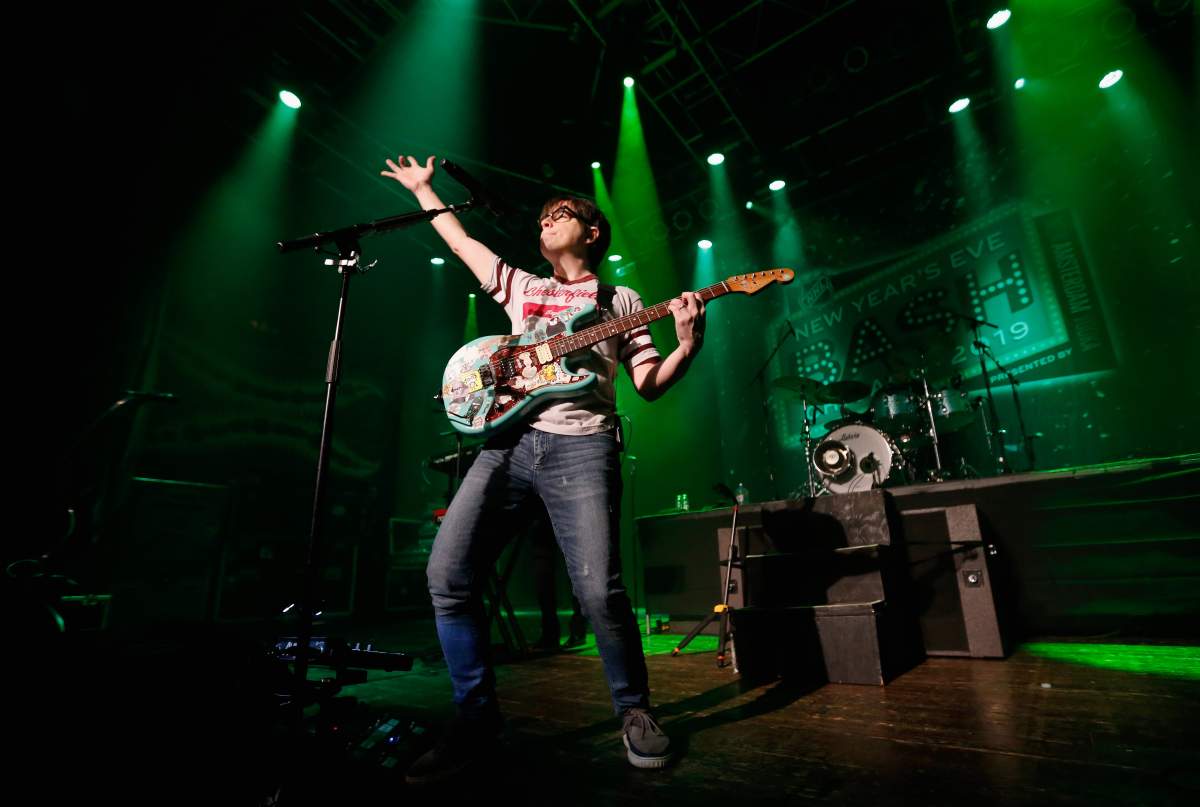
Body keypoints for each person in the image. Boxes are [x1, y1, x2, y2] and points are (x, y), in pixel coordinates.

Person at [381, 154, 705, 782]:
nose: (546, 222)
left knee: (597, 592)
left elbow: (648, 382)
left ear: (592, 232)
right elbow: (460, 239)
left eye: (561, 215)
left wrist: (687, 344)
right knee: (446, 575)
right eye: (542, 218)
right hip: (506, 444)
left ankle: (634, 712)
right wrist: (425, 192)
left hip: (582, 446)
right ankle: (475, 722)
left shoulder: (621, 299)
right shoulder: (523, 288)